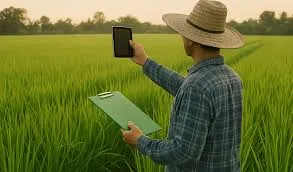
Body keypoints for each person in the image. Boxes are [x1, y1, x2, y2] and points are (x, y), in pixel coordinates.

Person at [121, 0, 244, 171]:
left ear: (192, 41)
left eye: (184, 34)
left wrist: (140, 141)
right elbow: (185, 86)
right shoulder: (232, 77)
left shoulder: (197, 86)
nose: (182, 38)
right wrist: (145, 62)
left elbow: (184, 153)